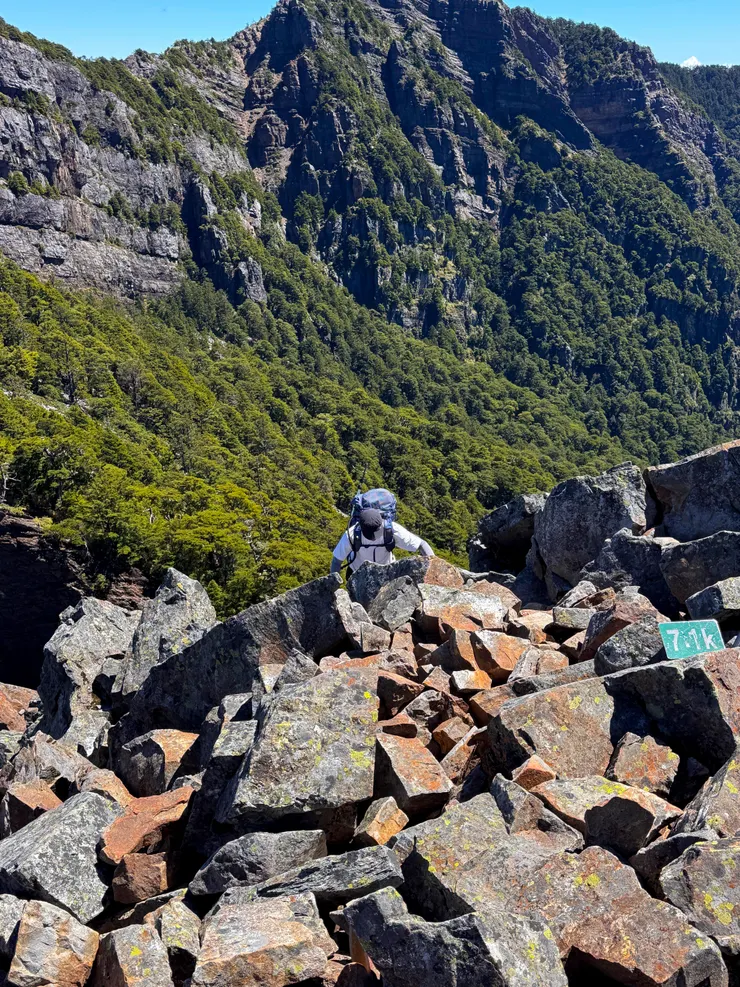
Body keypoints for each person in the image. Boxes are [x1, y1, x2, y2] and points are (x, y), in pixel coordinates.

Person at [330, 507, 434, 574]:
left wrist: (434, 568)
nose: (374, 537)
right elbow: (336, 561)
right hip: (357, 574)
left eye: (376, 532)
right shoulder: (352, 534)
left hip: (386, 572)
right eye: (370, 534)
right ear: (360, 527)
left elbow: (421, 544)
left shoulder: (391, 529)